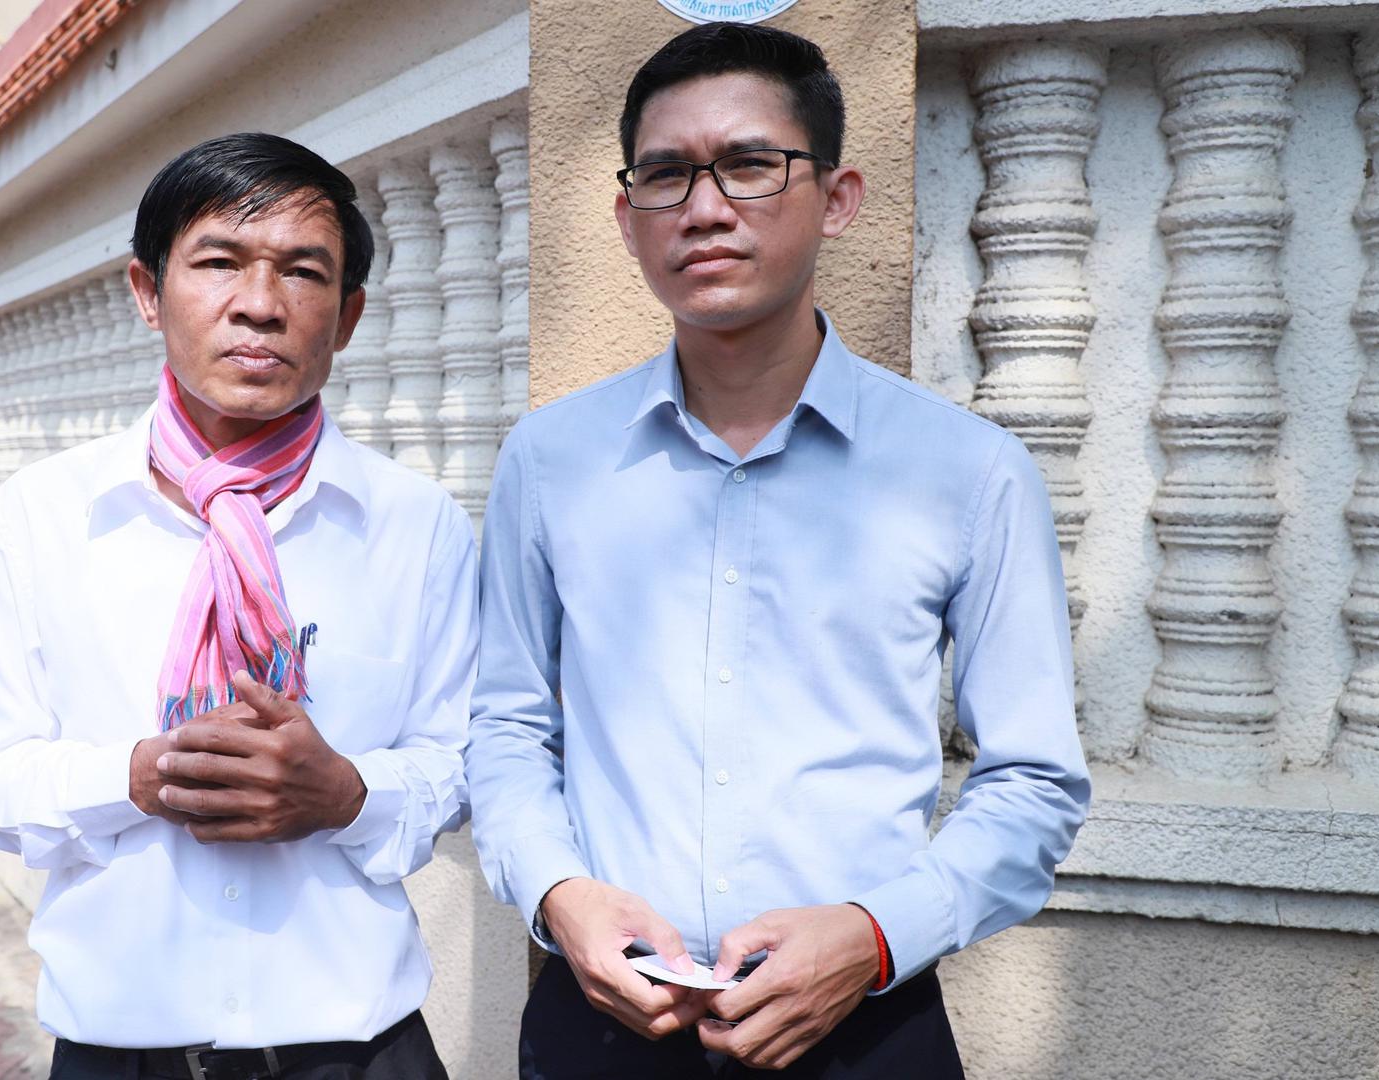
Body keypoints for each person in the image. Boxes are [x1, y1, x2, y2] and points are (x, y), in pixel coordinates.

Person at [466, 22, 1090, 1079]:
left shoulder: (966, 470)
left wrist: (871, 936)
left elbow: (1030, 781)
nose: (704, 208)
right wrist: (557, 896)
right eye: (664, 176)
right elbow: (507, 727)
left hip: (864, 1029)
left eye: (750, 165)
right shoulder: (551, 460)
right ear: (626, 219)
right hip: (603, 1027)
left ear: (836, 197)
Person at [0, 133, 475, 1080]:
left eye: (303, 273)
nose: (258, 305)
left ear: (345, 319)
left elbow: (461, 763)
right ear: (148, 291)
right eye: (218, 262)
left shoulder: (414, 524)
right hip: (119, 1050)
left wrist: (344, 794)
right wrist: (137, 776)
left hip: (356, 1048)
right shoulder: (46, 514)